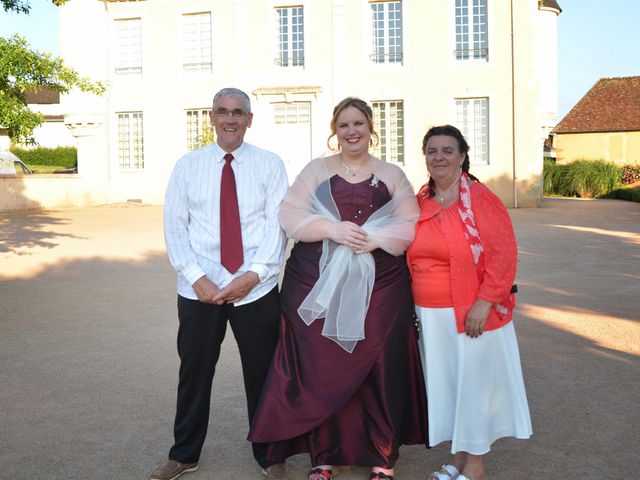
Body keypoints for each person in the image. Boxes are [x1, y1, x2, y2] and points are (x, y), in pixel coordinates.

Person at [249, 97, 428, 480]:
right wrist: (333, 229)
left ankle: (381, 456)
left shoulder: (391, 173)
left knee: (379, 364)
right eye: (344, 124)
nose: (352, 131)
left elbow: (411, 220)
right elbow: (290, 215)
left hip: (380, 285)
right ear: (335, 130)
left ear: (370, 128)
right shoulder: (317, 170)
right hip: (318, 283)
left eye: (359, 123)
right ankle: (323, 456)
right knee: (322, 366)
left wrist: (376, 239)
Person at [151, 88, 291, 480]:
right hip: (200, 290)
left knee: (264, 374)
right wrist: (197, 279)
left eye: (238, 112)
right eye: (223, 112)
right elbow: (175, 226)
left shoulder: (269, 164)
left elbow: (276, 225)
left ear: (249, 119)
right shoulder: (187, 165)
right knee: (194, 371)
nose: (230, 119)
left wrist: (253, 276)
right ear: (211, 118)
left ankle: (270, 456)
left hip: (255, 289)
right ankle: (184, 453)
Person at [407, 125, 532, 480]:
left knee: (474, 386)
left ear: (463, 156)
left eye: (448, 150)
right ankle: (460, 459)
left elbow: (503, 254)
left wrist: (485, 302)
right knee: (452, 387)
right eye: (432, 150)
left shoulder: (479, 198)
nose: (439, 157)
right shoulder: (421, 200)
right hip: (430, 314)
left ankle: (475, 467)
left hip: (471, 311)